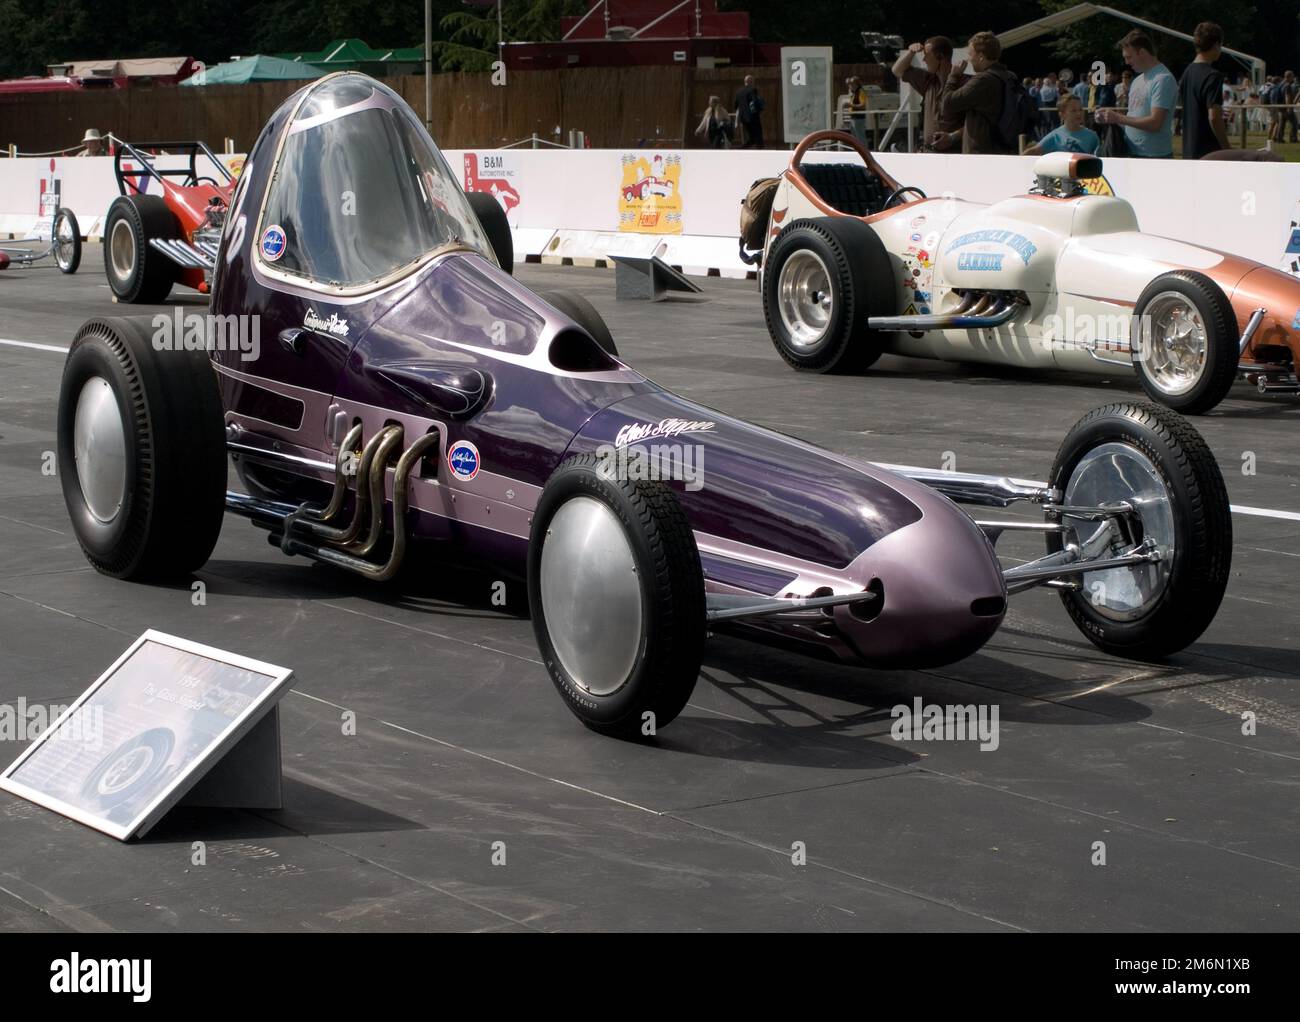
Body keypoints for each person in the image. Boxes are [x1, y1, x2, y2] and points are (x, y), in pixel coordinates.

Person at [1096, 30, 1176, 158]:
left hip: (1154, 157)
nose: (1127, 62)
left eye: (1129, 57)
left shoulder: (1163, 79)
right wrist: (1109, 117)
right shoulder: (1137, 80)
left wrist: (1117, 118)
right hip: (1131, 152)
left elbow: (1155, 123)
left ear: (1142, 53)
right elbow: (1133, 118)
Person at [938, 30, 1020, 155]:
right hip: (1002, 147)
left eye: (971, 54)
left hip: (981, 153)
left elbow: (947, 103)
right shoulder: (1009, 76)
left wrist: (953, 76)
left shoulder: (983, 80)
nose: (969, 59)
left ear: (981, 56)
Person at [890, 36, 962, 151]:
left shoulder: (963, 83)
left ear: (940, 57)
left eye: (927, 55)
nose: (924, 59)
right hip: (928, 151)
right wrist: (911, 52)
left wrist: (952, 137)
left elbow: (972, 124)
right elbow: (897, 70)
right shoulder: (928, 80)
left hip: (953, 153)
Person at [1179, 22, 1230, 159]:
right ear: (1216, 45)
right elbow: (1214, 117)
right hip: (1209, 152)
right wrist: (1227, 148)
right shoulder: (1213, 76)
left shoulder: (1186, 73)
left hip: (1189, 149)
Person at [1025, 94, 1100, 155]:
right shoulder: (1055, 136)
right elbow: (1034, 150)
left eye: (1080, 109)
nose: (1079, 113)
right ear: (1062, 114)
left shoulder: (1092, 136)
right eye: (1073, 111)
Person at [733, 75, 765, 149]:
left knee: (751, 137)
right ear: (751, 82)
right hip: (753, 117)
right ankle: (761, 150)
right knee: (758, 136)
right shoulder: (752, 90)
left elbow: (735, 105)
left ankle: (743, 148)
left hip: (743, 118)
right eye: (753, 81)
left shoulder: (738, 92)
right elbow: (755, 102)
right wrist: (760, 108)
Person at [844, 75, 870, 146]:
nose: (850, 85)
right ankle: (857, 150)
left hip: (859, 119)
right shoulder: (854, 92)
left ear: (856, 84)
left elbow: (863, 105)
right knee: (854, 138)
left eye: (852, 84)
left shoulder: (860, 92)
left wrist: (851, 105)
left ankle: (864, 150)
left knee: (860, 137)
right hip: (853, 118)